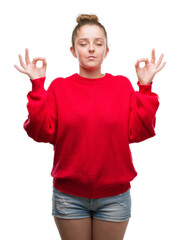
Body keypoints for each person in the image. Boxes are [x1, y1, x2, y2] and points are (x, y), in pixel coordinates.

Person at [14, 14, 166, 240]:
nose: (91, 49)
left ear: (107, 50)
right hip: (69, 196)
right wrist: (37, 86)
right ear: (73, 51)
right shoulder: (59, 88)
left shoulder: (122, 85)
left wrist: (145, 87)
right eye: (83, 44)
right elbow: (40, 131)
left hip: (115, 196)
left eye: (98, 43)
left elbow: (140, 131)